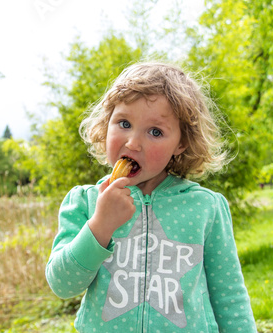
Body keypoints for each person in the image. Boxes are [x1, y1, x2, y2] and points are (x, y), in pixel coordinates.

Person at [45, 62, 257, 332]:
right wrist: (101, 225)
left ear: (181, 143)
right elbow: (63, 285)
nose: (133, 142)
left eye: (155, 131)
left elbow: (229, 296)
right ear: (106, 124)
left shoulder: (205, 207)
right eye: (124, 123)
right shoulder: (84, 201)